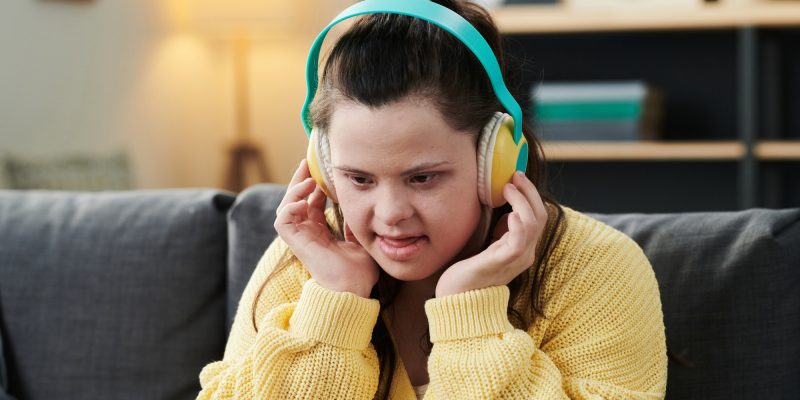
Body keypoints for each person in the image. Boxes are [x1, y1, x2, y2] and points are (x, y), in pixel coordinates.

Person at [197, 0, 667, 398]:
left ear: (495, 163)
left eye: (422, 178)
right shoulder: (308, 261)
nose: (390, 215)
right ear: (323, 169)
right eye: (358, 179)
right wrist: (336, 302)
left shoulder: (597, 267)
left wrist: (470, 313)